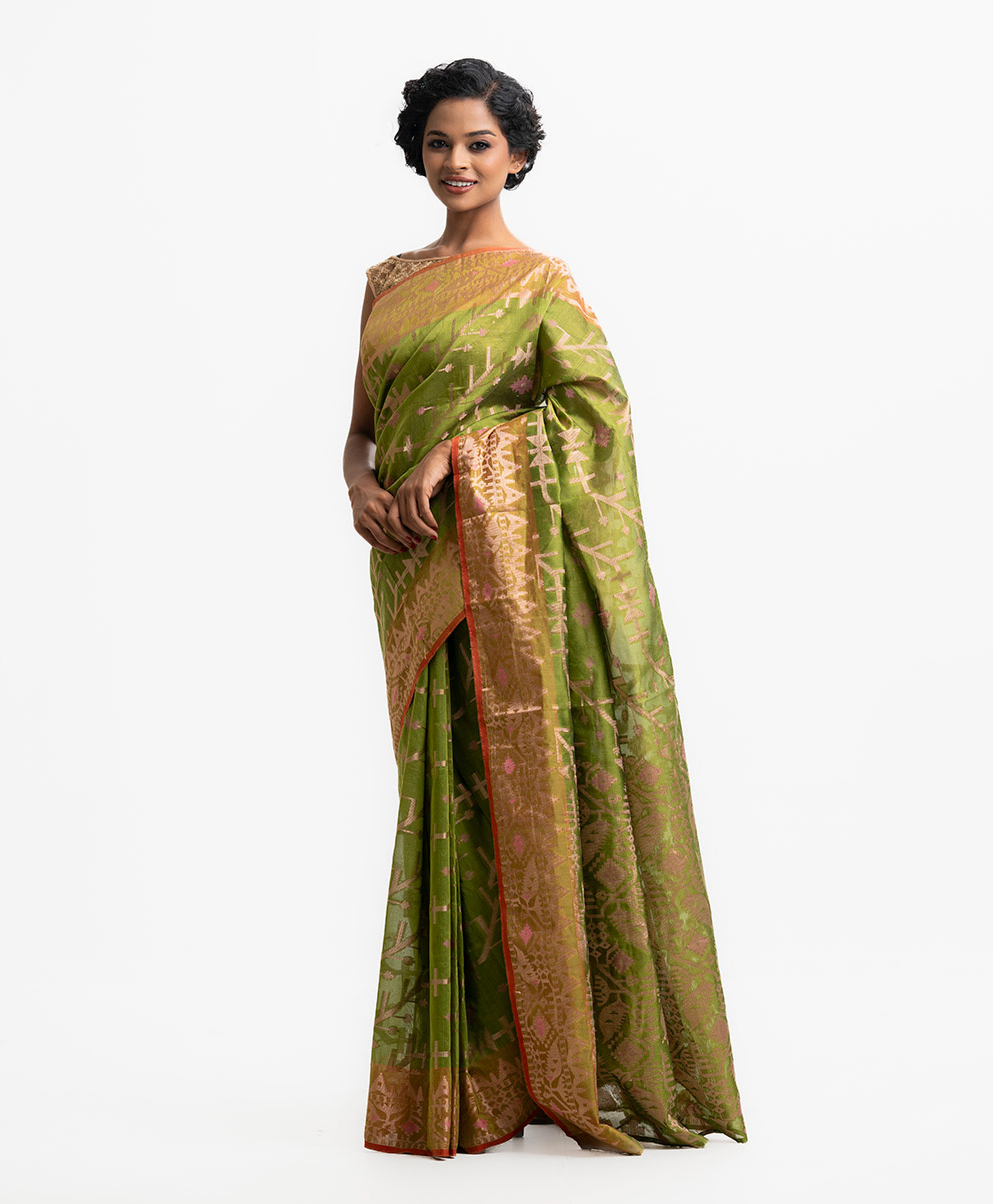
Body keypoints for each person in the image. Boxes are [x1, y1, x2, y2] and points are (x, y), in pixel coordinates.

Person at [343, 57, 748, 1160]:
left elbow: (597, 418)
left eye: (478, 143)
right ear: (417, 154)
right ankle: (464, 1078)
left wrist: (463, 457)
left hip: (512, 584)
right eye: (438, 143)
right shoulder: (385, 282)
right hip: (412, 568)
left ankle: (563, 1064)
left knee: (521, 792)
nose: (457, 161)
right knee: (440, 799)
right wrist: (360, 483)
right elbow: (364, 427)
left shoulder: (541, 283)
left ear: (516, 156)